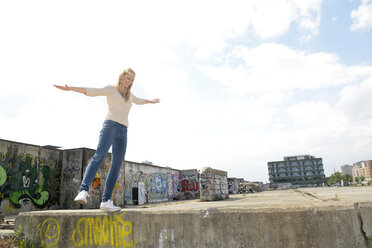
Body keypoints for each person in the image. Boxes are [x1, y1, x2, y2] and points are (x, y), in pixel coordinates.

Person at [54, 68, 160, 211]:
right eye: (128, 78)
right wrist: (70, 88)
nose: (129, 82)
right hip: (110, 126)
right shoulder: (111, 89)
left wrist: (152, 102)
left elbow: (139, 101)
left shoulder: (129, 96)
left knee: (116, 166)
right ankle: (83, 190)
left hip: (123, 131)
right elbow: (91, 91)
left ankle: (106, 201)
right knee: (99, 157)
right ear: (122, 78)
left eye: (132, 80)